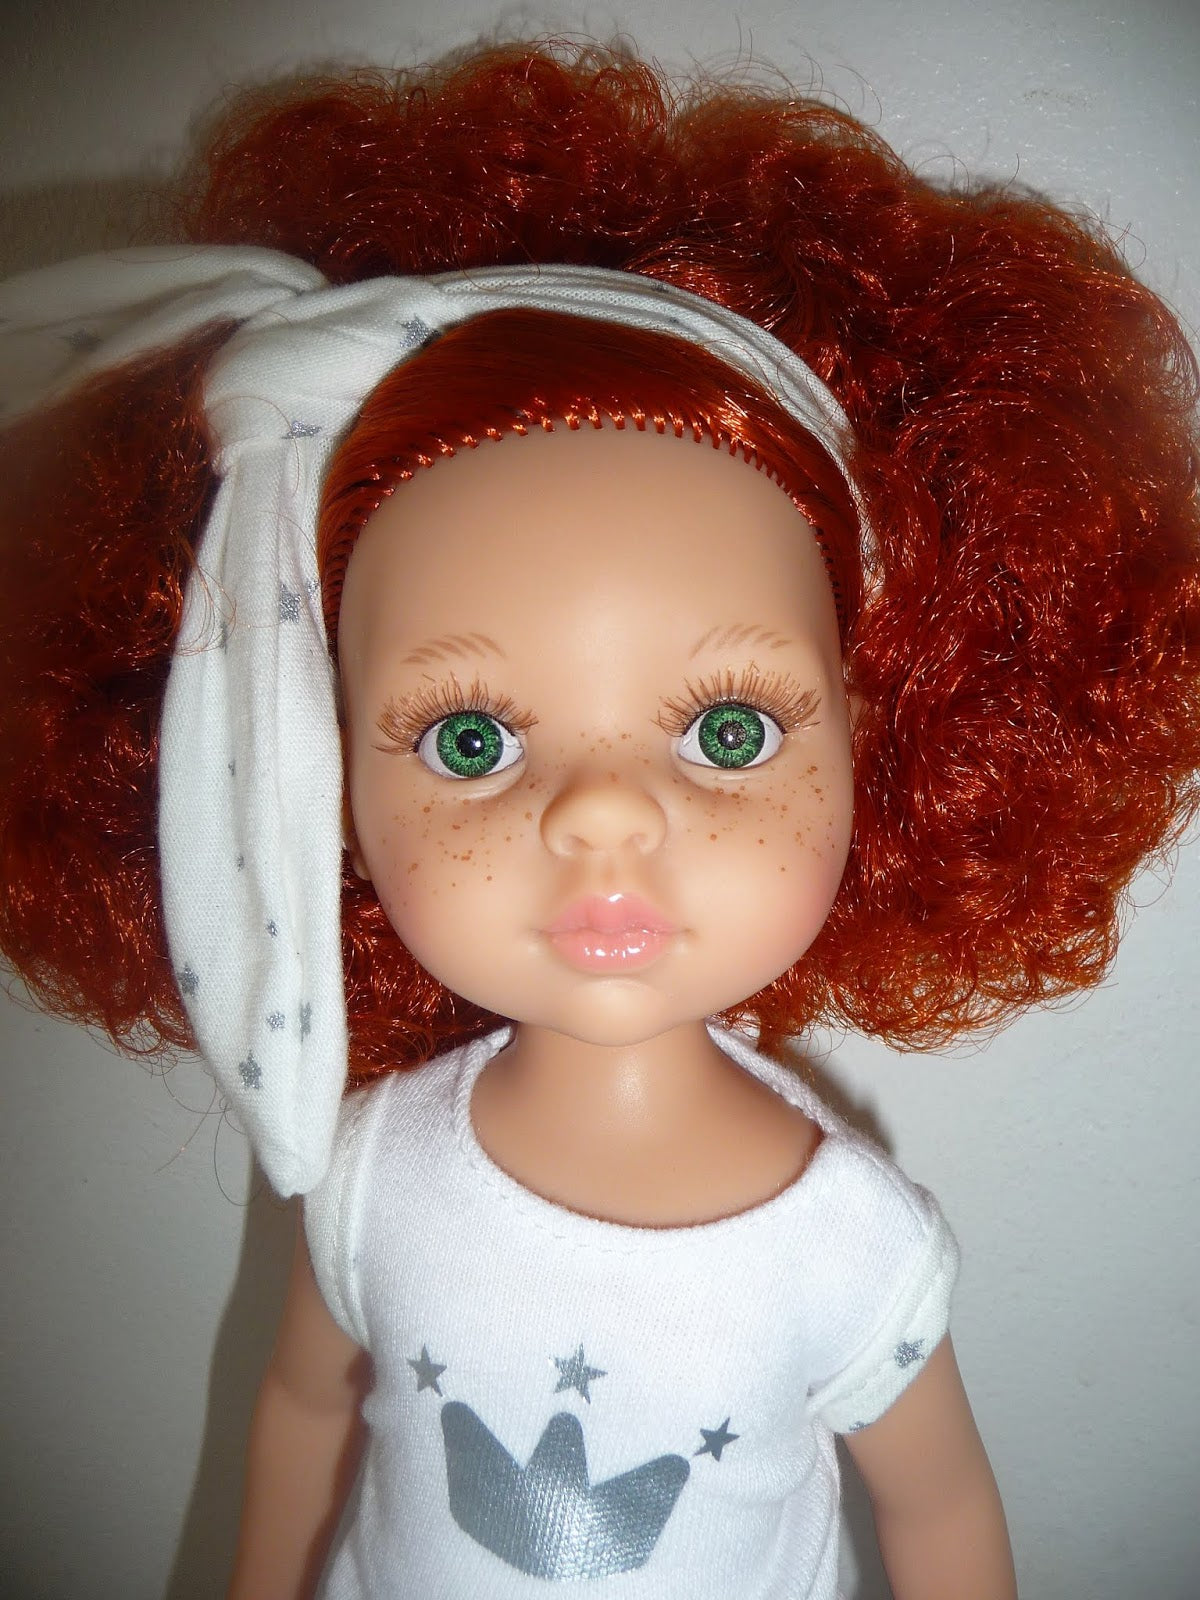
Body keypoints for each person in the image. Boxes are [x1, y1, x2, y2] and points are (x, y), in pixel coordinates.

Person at [2, 40, 1197, 1599]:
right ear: (315, 776)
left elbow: (943, 1520)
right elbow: (301, 1413)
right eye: (472, 739)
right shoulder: (367, 1176)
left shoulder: (849, 1250)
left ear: (887, 736)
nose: (603, 816)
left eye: (727, 730)